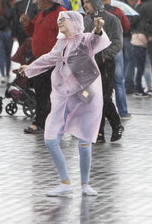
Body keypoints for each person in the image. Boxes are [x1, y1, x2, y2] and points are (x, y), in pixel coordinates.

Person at [19, 11, 108, 196]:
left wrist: (99, 29)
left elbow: (95, 40)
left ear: (75, 22)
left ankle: (85, 185)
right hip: (63, 98)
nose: (59, 22)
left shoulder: (84, 40)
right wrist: (30, 68)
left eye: (63, 19)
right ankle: (65, 183)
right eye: (58, 20)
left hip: (86, 98)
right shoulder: (60, 43)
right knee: (50, 139)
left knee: (84, 142)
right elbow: (49, 58)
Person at [82, 0, 124, 142]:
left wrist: (105, 56)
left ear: (96, 1)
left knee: (104, 97)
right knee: (92, 97)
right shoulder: (86, 20)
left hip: (105, 64)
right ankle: (98, 131)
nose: (85, 5)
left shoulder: (112, 19)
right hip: (89, 64)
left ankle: (116, 123)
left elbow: (117, 42)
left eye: (88, 2)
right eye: (84, 2)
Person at [20, 0, 66, 134]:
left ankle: (57, 123)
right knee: (40, 93)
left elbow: (66, 36)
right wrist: (27, 24)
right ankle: (40, 122)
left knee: (53, 95)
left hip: (54, 62)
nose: (36, 2)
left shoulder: (61, 14)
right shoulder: (40, 14)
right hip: (40, 61)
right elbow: (33, 32)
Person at [100, 0, 131, 120]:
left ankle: (106, 111)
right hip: (116, 49)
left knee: (104, 83)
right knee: (119, 82)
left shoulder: (96, 14)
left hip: (101, 50)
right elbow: (126, 26)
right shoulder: (117, 11)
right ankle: (123, 112)